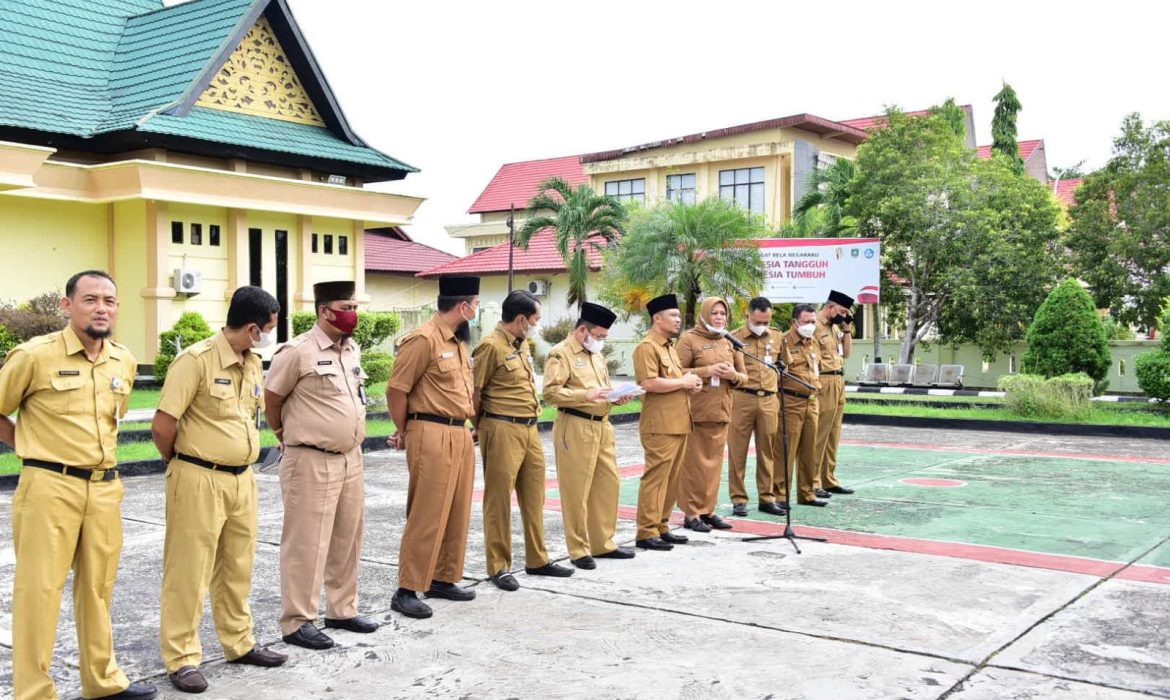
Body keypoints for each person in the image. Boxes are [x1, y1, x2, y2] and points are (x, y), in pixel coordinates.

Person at [0, 270, 156, 700]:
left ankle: (102, 682)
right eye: (90, 299)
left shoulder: (122, 359)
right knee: (40, 592)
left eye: (109, 300)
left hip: (105, 488)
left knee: (98, 588)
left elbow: (114, 417)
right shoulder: (34, 356)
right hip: (49, 487)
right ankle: (34, 692)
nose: (101, 308)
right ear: (68, 306)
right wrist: (29, 445)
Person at [153, 286, 287, 694]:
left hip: (241, 479)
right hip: (198, 477)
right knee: (188, 570)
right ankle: (182, 658)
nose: (267, 336)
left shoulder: (253, 362)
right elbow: (162, 425)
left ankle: (239, 642)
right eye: (267, 329)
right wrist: (182, 464)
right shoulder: (194, 360)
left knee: (237, 565)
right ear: (250, 328)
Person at [264, 281, 379, 650]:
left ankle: (342, 610)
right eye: (347, 306)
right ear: (325, 310)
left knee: (348, 537)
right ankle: (297, 621)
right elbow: (272, 400)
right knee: (307, 542)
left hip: (350, 458)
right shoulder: (297, 351)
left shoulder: (351, 348)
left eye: (355, 305)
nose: (353, 313)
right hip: (311, 459)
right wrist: (288, 433)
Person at [385, 275, 480, 619]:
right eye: (476, 303)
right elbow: (397, 390)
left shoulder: (458, 341)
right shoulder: (423, 339)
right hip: (430, 429)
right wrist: (404, 430)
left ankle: (443, 576)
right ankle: (407, 587)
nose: (477, 309)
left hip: (459, 432)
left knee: (457, 509)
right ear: (463, 305)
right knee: (427, 511)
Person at [472, 290, 573, 591]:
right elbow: (474, 392)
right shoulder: (490, 346)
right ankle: (499, 566)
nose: (537, 324)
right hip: (501, 428)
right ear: (520, 319)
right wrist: (481, 426)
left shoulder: (520, 343)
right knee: (499, 499)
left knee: (534, 496)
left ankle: (537, 559)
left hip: (529, 428)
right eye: (535, 319)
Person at [542, 301, 634, 569]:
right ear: (583, 331)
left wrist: (616, 398)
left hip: (602, 425)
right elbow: (550, 393)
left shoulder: (597, 355)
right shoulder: (560, 354)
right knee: (576, 490)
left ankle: (602, 543)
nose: (602, 342)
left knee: (608, 484)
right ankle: (579, 549)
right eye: (600, 336)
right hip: (576, 425)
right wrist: (586, 395)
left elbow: (602, 389)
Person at [633, 294, 703, 551]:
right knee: (656, 478)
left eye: (677, 315)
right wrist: (683, 382)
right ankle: (646, 531)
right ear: (657, 318)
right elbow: (649, 383)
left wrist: (690, 383)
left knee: (672, 479)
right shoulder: (646, 347)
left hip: (679, 422)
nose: (678, 320)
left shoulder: (668, 346)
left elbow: (674, 381)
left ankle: (661, 525)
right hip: (660, 425)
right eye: (673, 315)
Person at [676, 297, 746, 532]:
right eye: (714, 313)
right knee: (694, 465)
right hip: (695, 412)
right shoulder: (689, 339)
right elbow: (677, 372)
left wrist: (732, 375)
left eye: (722, 313)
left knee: (714, 465)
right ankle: (691, 513)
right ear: (704, 314)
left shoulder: (729, 341)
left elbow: (744, 376)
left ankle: (708, 510)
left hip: (722, 410)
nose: (719, 317)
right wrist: (708, 370)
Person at [726, 297, 788, 518]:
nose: (762, 326)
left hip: (769, 400)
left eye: (766, 321)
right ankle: (738, 498)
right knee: (737, 451)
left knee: (768, 451)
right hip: (742, 398)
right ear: (747, 316)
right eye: (758, 321)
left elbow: (784, 364)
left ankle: (767, 497)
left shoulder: (778, 336)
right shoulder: (734, 338)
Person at [775, 304, 824, 508]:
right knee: (786, 451)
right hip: (791, 401)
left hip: (812, 401)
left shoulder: (813, 342)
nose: (810, 325)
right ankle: (780, 495)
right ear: (794, 322)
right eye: (806, 322)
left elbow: (817, 368)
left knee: (809, 449)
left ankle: (807, 493)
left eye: (813, 322)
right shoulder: (783, 341)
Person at [813, 290, 857, 499]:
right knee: (819, 434)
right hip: (823, 381)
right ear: (830, 307)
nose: (843, 315)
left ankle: (828, 479)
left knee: (833, 434)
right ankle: (812, 481)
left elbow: (846, 353)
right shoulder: (813, 326)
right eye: (841, 311)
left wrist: (847, 329)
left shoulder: (836, 328)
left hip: (839, 381)